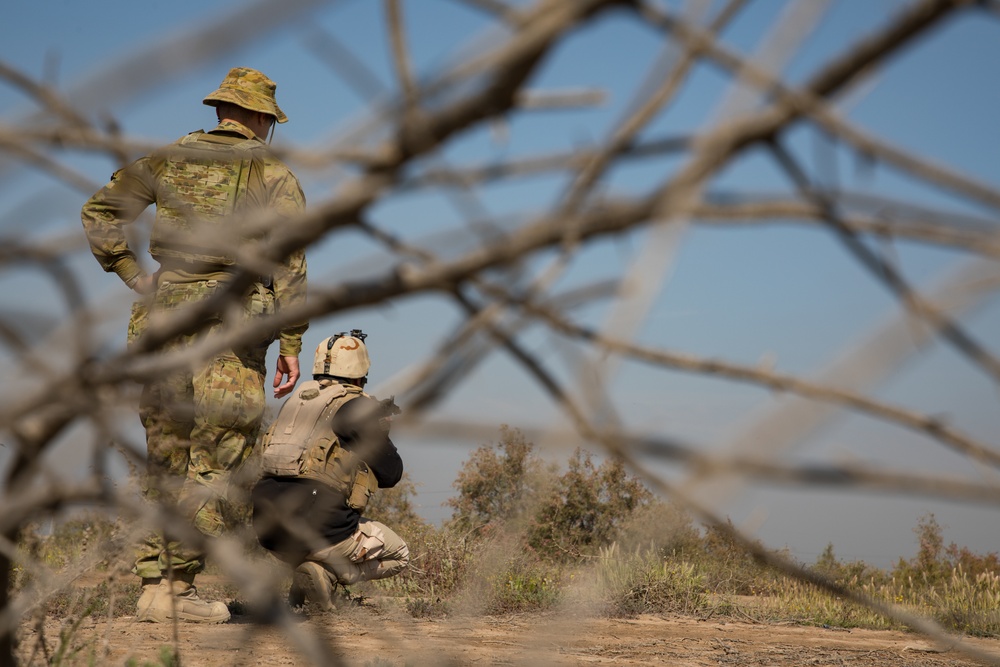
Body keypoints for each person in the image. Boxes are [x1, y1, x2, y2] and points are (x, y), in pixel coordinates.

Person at [80, 67, 308, 623]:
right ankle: (178, 591)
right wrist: (292, 340)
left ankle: (152, 588)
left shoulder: (162, 161)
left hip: (161, 320)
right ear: (258, 117)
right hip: (229, 324)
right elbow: (292, 259)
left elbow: (99, 212)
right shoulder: (270, 171)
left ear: (220, 111)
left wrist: (135, 275)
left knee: (163, 454)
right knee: (219, 457)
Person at [251, 330, 409, 611]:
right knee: (400, 554)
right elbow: (391, 474)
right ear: (361, 374)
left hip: (269, 532)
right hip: (321, 528)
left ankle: (307, 576)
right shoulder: (357, 407)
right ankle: (326, 574)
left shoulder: (296, 402)